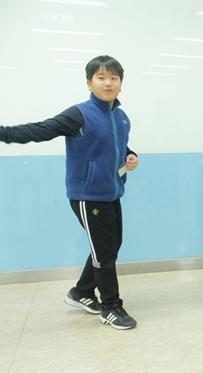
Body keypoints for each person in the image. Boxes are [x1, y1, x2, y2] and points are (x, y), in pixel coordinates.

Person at [0, 55, 138, 330]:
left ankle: (81, 292)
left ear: (121, 83)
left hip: (112, 192)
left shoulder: (121, 117)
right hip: (88, 196)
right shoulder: (79, 115)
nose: (108, 83)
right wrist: (4, 133)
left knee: (110, 246)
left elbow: (119, 148)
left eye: (114, 78)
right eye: (101, 77)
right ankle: (110, 307)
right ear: (89, 83)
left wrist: (131, 156)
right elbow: (41, 129)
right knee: (104, 252)